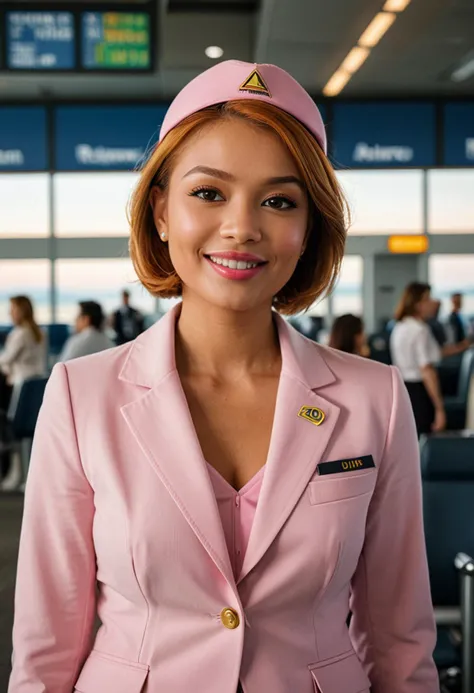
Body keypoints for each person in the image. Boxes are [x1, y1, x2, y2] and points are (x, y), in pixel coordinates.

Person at [9, 61, 438, 693]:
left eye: (278, 200)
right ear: (160, 211)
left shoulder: (374, 399)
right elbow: (45, 649)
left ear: (307, 227)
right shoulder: (81, 397)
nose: (242, 227)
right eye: (209, 193)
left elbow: (400, 644)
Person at [390, 282, 468, 437]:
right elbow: (427, 370)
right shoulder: (420, 330)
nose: (434, 302)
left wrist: (463, 346)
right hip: (419, 391)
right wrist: (439, 408)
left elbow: (435, 353)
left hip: (403, 388)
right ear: (418, 304)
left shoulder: (400, 326)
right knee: (424, 437)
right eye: (428, 298)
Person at [0, 296, 45, 411]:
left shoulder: (20, 333)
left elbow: (6, 359)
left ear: (21, 311)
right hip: (37, 380)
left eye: (12, 309)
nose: (10, 313)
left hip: (19, 384)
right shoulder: (40, 332)